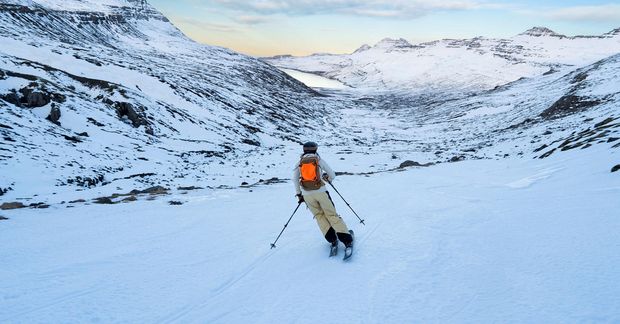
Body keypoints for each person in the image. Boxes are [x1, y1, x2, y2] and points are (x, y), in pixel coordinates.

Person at [293, 141, 353, 249]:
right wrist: (327, 179)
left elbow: (295, 180)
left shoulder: (299, 163)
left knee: (319, 216)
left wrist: (299, 194)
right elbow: (332, 175)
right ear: (315, 149)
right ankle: (346, 240)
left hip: (307, 195)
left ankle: (332, 239)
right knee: (331, 215)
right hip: (321, 191)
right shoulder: (318, 160)